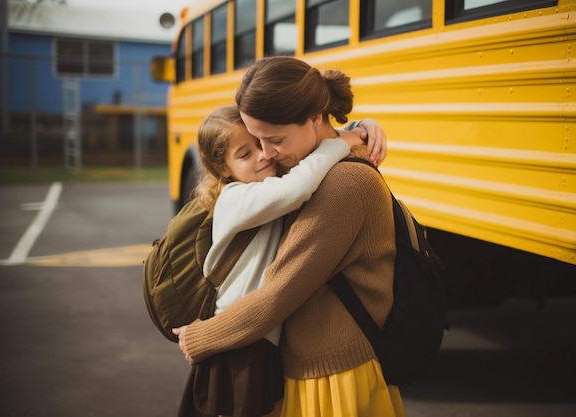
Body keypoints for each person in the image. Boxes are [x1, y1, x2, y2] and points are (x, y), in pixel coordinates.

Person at [173, 56, 405, 417]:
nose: (266, 156)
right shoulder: (299, 159)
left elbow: (280, 292)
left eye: (273, 140)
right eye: (255, 142)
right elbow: (320, 143)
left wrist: (202, 337)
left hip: (334, 378)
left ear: (314, 118)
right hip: (305, 365)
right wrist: (362, 126)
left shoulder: (343, 185)